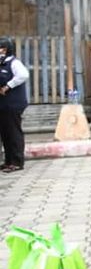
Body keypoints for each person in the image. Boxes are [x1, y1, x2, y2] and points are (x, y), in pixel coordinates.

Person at [0, 37, 29, 173]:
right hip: (3, 105)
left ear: (5, 49)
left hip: (13, 104)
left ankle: (17, 162)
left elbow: (23, 75)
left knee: (13, 132)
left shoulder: (14, 63)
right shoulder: (2, 63)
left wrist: (8, 86)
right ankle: (8, 161)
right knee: (5, 133)